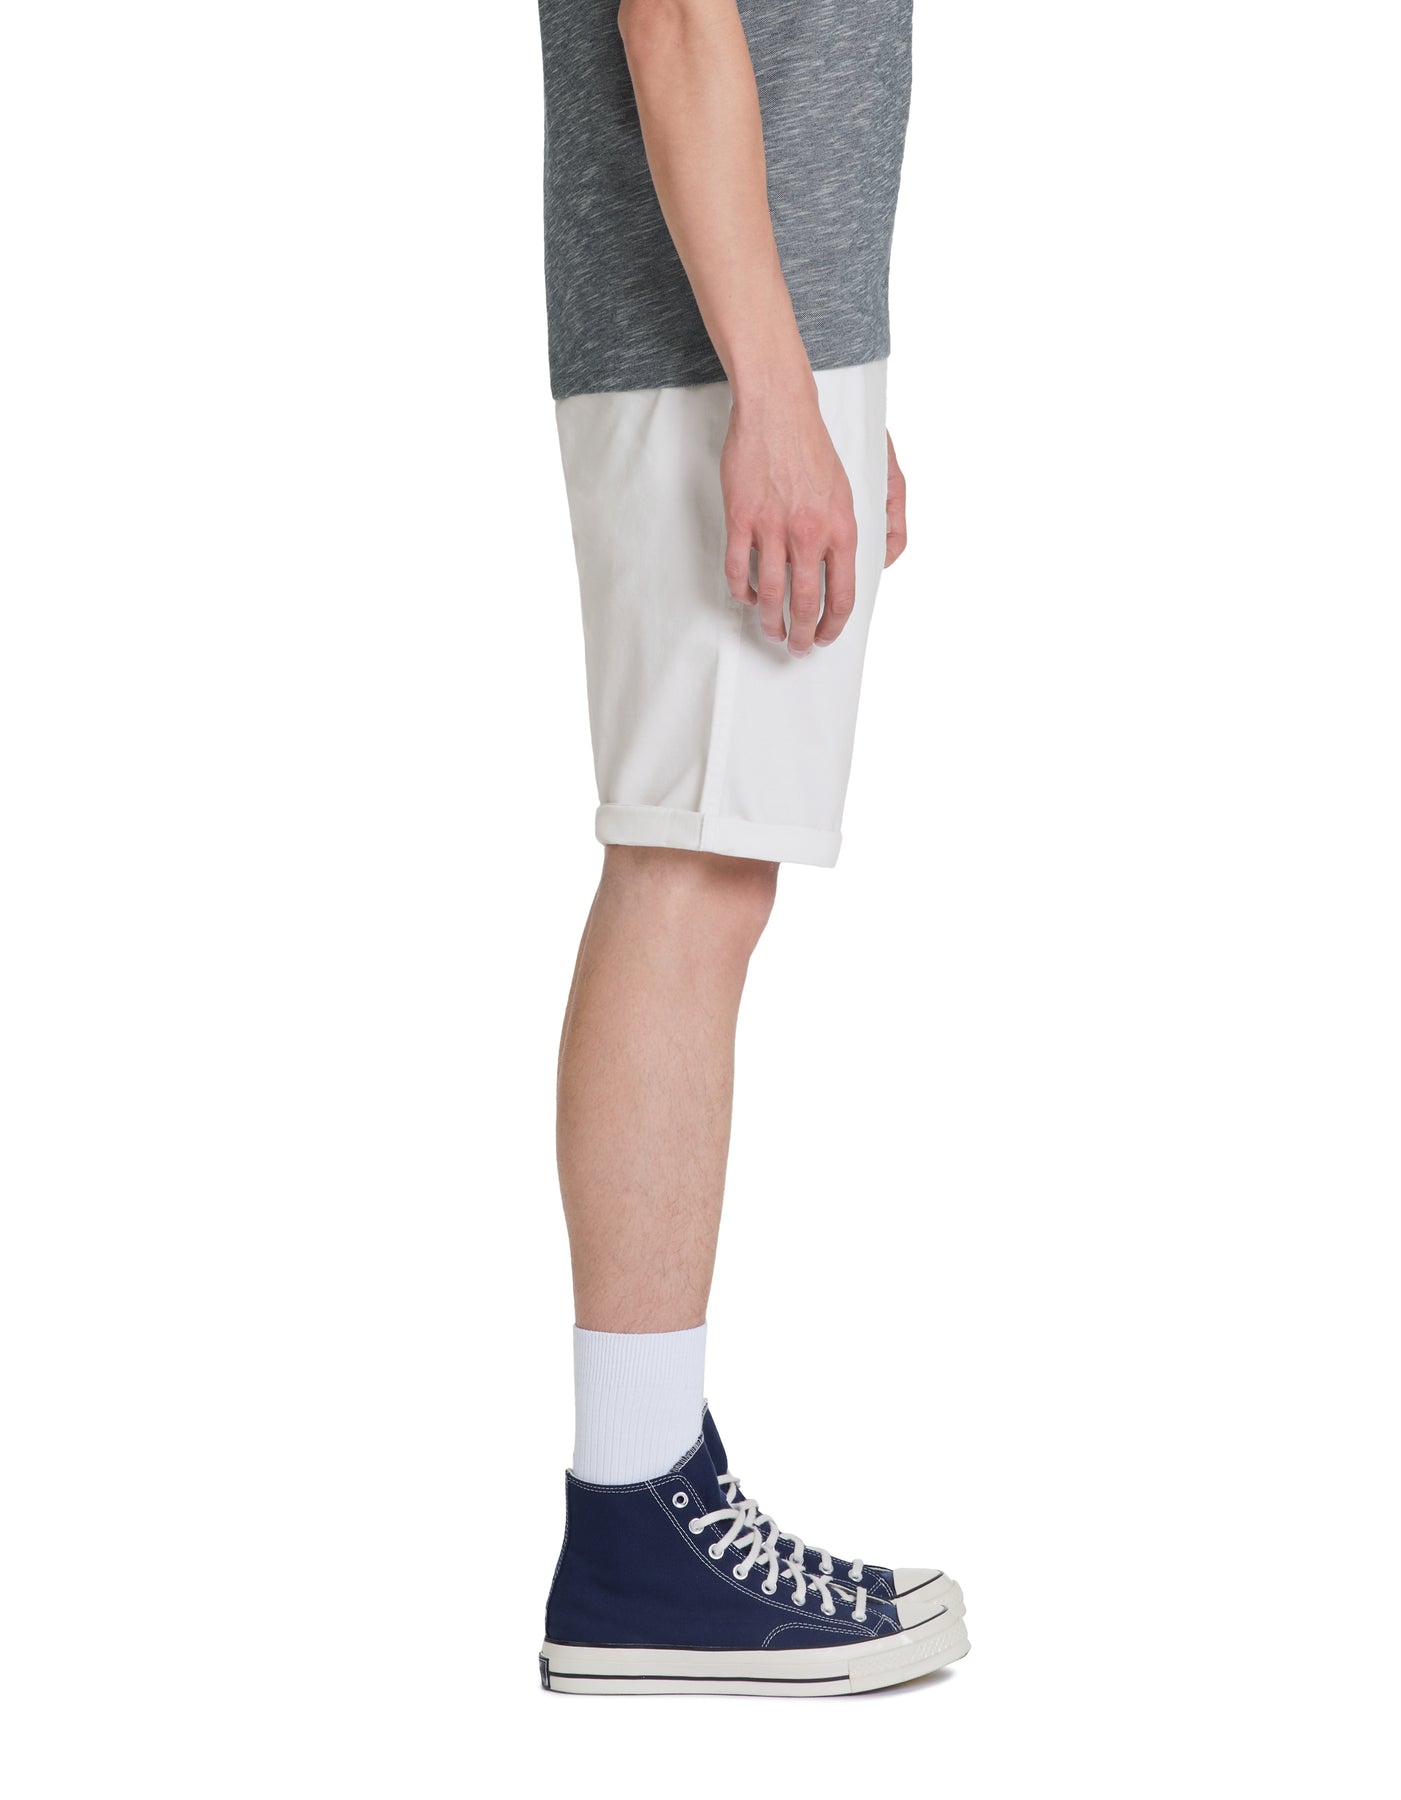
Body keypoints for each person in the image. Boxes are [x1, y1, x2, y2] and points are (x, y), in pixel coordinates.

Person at [536, 0, 968, 1696]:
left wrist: (820, 382)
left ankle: (650, 1491)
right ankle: (634, 1530)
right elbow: (672, 25)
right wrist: (776, 393)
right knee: (687, 871)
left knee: (706, 874)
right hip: (708, 354)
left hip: (747, 341)